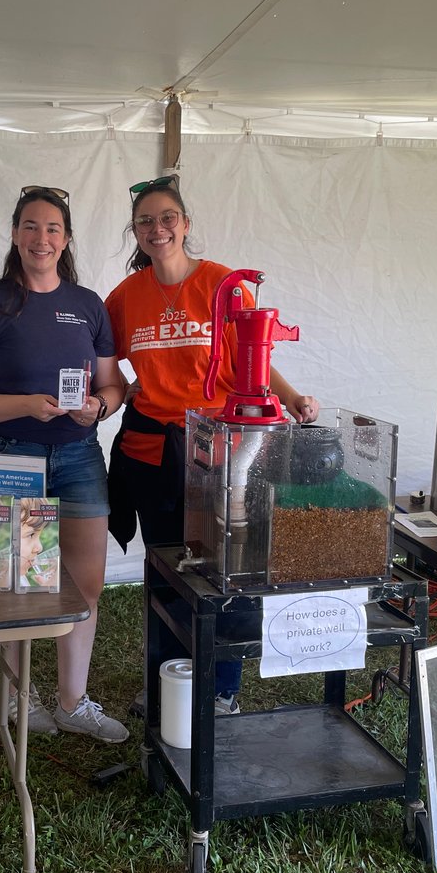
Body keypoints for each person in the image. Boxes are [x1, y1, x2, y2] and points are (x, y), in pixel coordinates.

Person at [104, 175, 320, 715]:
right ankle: (165, 684)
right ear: (135, 231)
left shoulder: (225, 285)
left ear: (186, 224)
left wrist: (290, 396)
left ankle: (220, 691)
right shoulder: (124, 298)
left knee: (222, 570)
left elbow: (254, 356)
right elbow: (103, 362)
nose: (157, 229)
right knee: (167, 568)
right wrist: (119, 390)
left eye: (167, 218)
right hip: (152, 449)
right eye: (146, 221)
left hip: (219, 450)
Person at [0, 185, 129, 743]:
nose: (41, 238)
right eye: (30, 226)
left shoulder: (87, 305)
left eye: (52, 228)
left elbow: (112, 385)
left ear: (67, 238)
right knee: (15, 585)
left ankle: (73, 703)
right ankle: (18, 703)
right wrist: (27, 406)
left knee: (86, 584)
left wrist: (100, 407)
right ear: (14, 234)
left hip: (78, 456)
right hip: (10, 458)